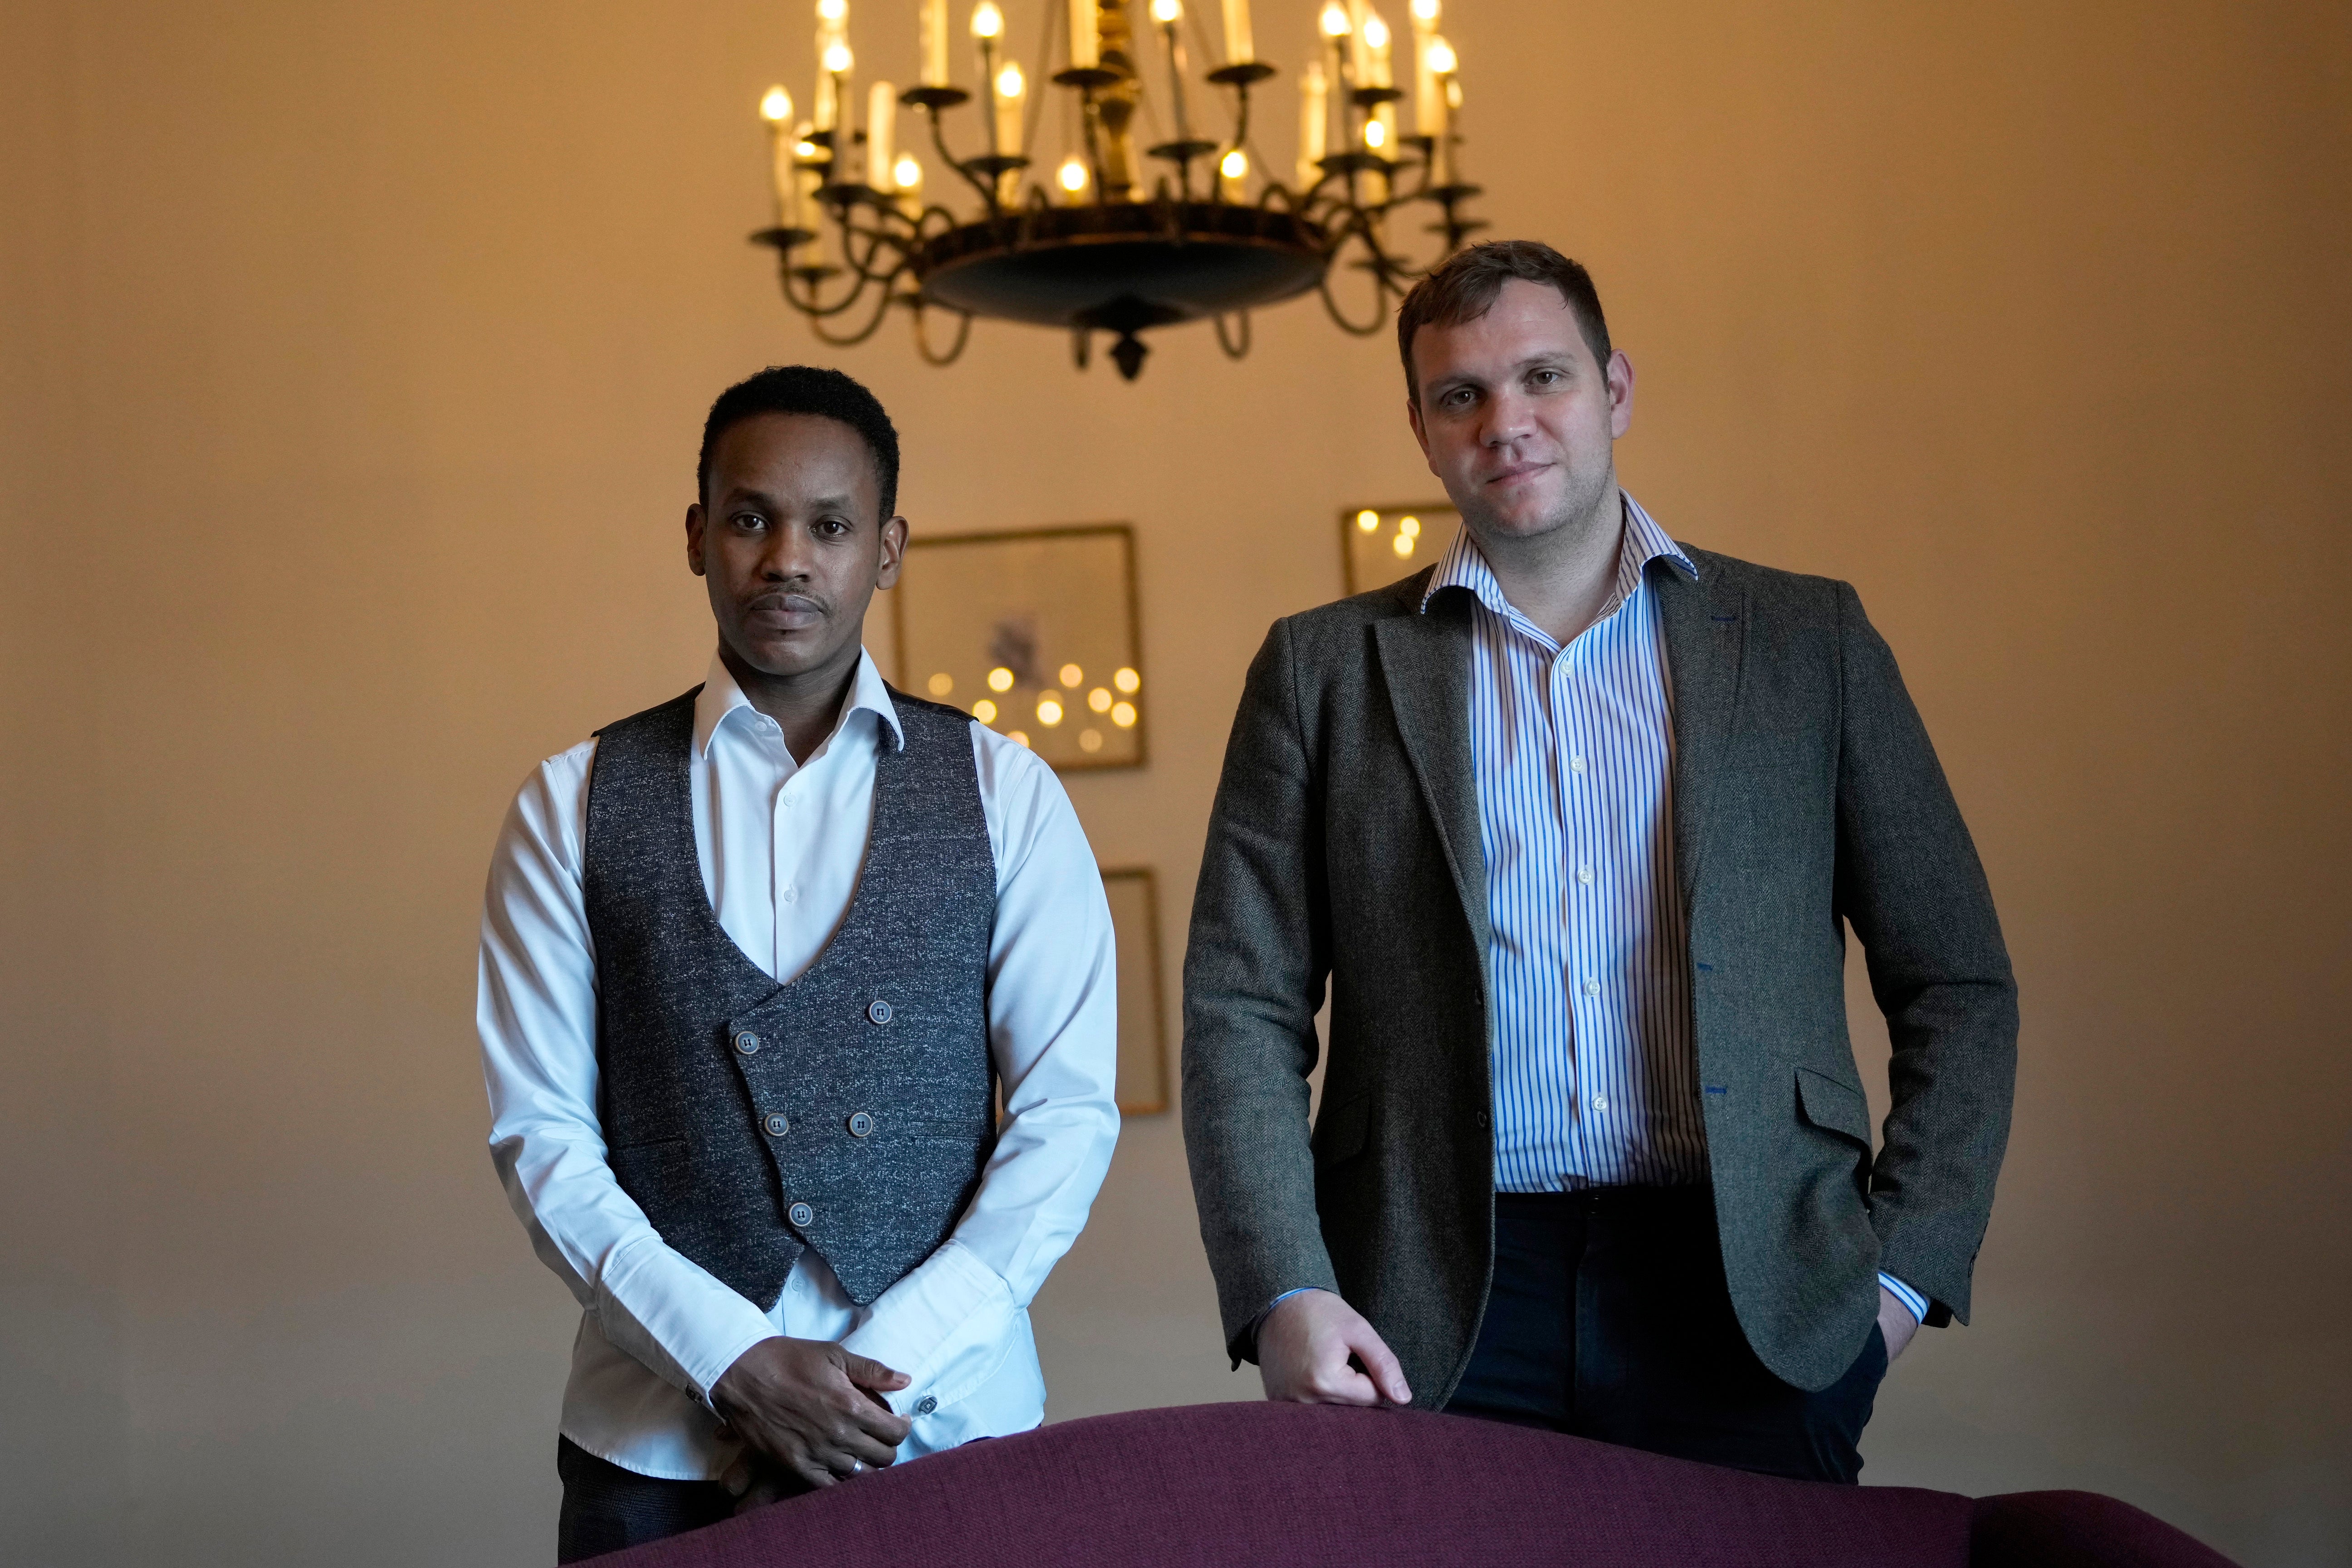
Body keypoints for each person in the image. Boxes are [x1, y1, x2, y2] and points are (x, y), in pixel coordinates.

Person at [1181, 240, 2017, 1483]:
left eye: (1542, 378)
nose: (1505, 422)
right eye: (1459, 394)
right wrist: (1285, 1286)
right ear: (1419, 428)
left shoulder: (1805, 641)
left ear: (1614, 388)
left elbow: (1955, 980)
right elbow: (1236, 1006)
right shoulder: (1321, 671)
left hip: (1755, 1295)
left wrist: (1892, 1282)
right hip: (1429, 1304)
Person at [478, 366, 1120, 1560]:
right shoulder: (570, 803)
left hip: (947, 1423)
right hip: (654, 1447)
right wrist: (731, 1359)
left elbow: (1067, 1116)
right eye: (749, 517)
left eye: (829, 525)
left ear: (885, 549)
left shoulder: (1008, 793)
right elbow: (542, 1136)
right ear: (695, 535)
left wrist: (884, 1371)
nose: (786, 557)